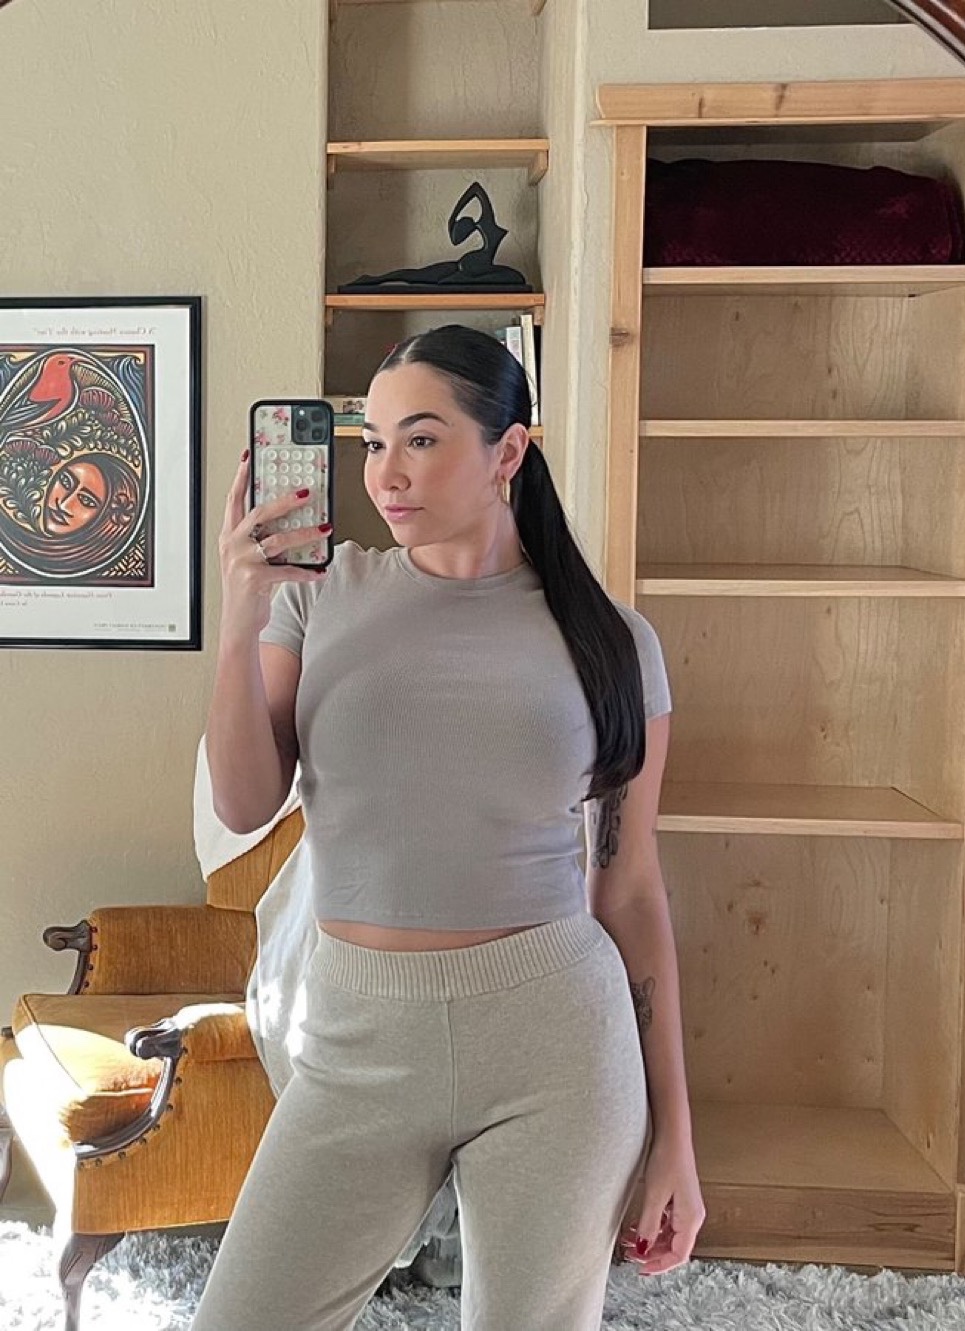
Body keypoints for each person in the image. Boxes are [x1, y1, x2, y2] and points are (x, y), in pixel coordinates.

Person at [194, 324, 705, 1331]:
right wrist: (240, 613)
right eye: (372, 442)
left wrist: (675, 1135)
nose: (385, 473)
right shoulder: (317, 598)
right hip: (356, 1038)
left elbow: (631, 890)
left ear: (507, 450)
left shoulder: (611, 642)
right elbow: (244, 802)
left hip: (554, 1041)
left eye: (420, 439)